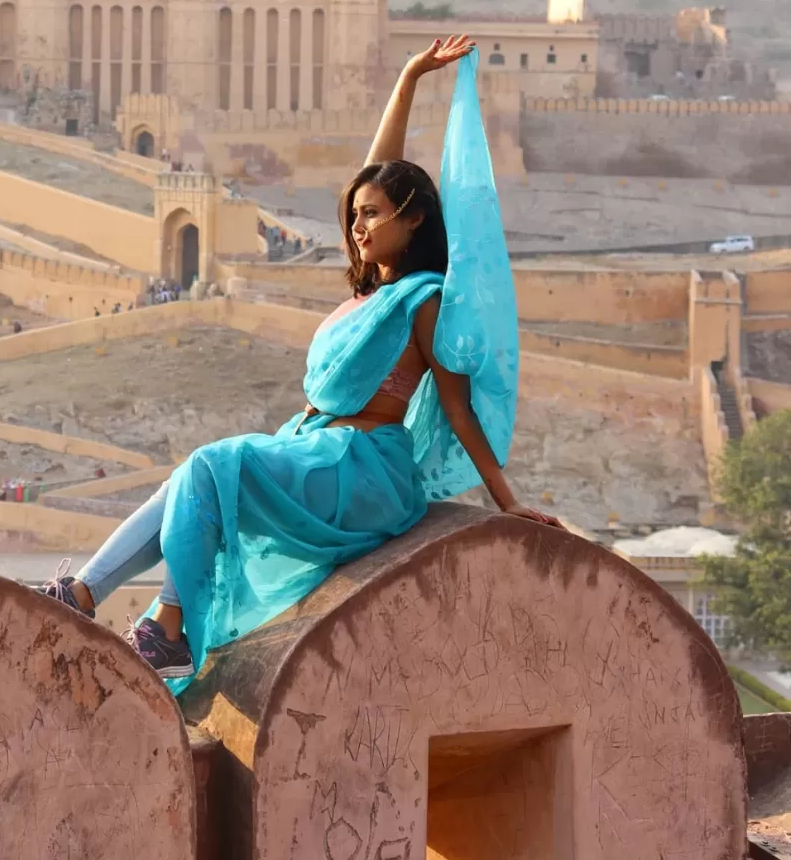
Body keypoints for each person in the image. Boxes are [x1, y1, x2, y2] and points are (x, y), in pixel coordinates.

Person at [43, 36, 561, 689]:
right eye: (352, 218)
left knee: (212, 463)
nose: (357, 226)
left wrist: (508, 500)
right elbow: (376, 174)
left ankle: (169, 632)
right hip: (314, 448)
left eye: (372, 215)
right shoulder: (369, 294)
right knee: (187, 482)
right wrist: (407, 79)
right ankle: (82, 595)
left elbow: (455, 406)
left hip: (365, 470)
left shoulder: (425, 299)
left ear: (414, 216)